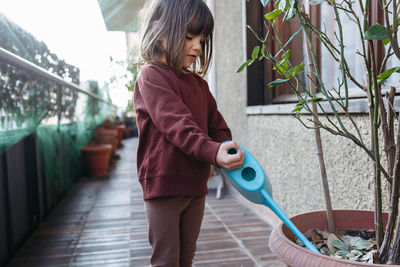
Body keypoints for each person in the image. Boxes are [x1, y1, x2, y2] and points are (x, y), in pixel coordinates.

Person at [133, 0, 244, 266]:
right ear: (160, 32)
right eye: (188, 36)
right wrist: (213, 152)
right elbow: (177, 126)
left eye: (202, 39)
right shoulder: (151, 77)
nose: (197, 46)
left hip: (196, 184)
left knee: (186, 258)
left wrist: (226, 146)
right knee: (166, 259)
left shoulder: (199, 85)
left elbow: (216, 125)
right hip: (164, 186)